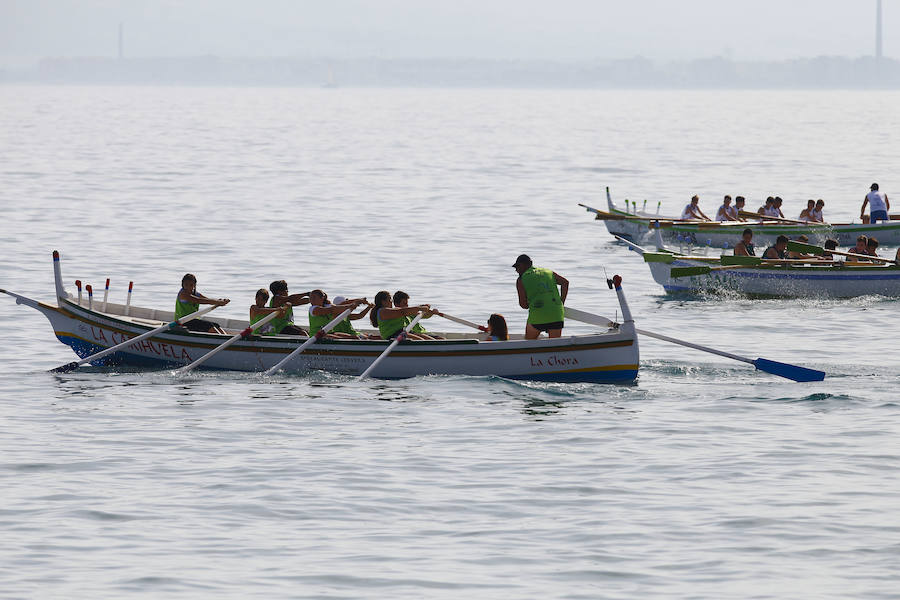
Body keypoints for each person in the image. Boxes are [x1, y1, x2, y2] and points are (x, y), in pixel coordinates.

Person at [512, 254, 568, 339]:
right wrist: (561, 302)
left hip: (537, 317)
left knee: (528, 345)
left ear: (528, 264)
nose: (516, 270)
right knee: (555, 346)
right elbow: (565, 283)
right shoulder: (548, 272)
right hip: (556, 314)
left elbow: (524, 305)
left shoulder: (521, 279)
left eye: (518, 266)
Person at [370, 290, 435, 340]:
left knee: (430, 340)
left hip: (402, 333)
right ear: (383, 302)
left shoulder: (392, 310)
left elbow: (404, 310)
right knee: (421, 341)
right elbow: (402, 311)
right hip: (393, 336)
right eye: (389, 299)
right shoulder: (383, 311)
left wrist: (425, 309)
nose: (391, 301)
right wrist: (419, 308)